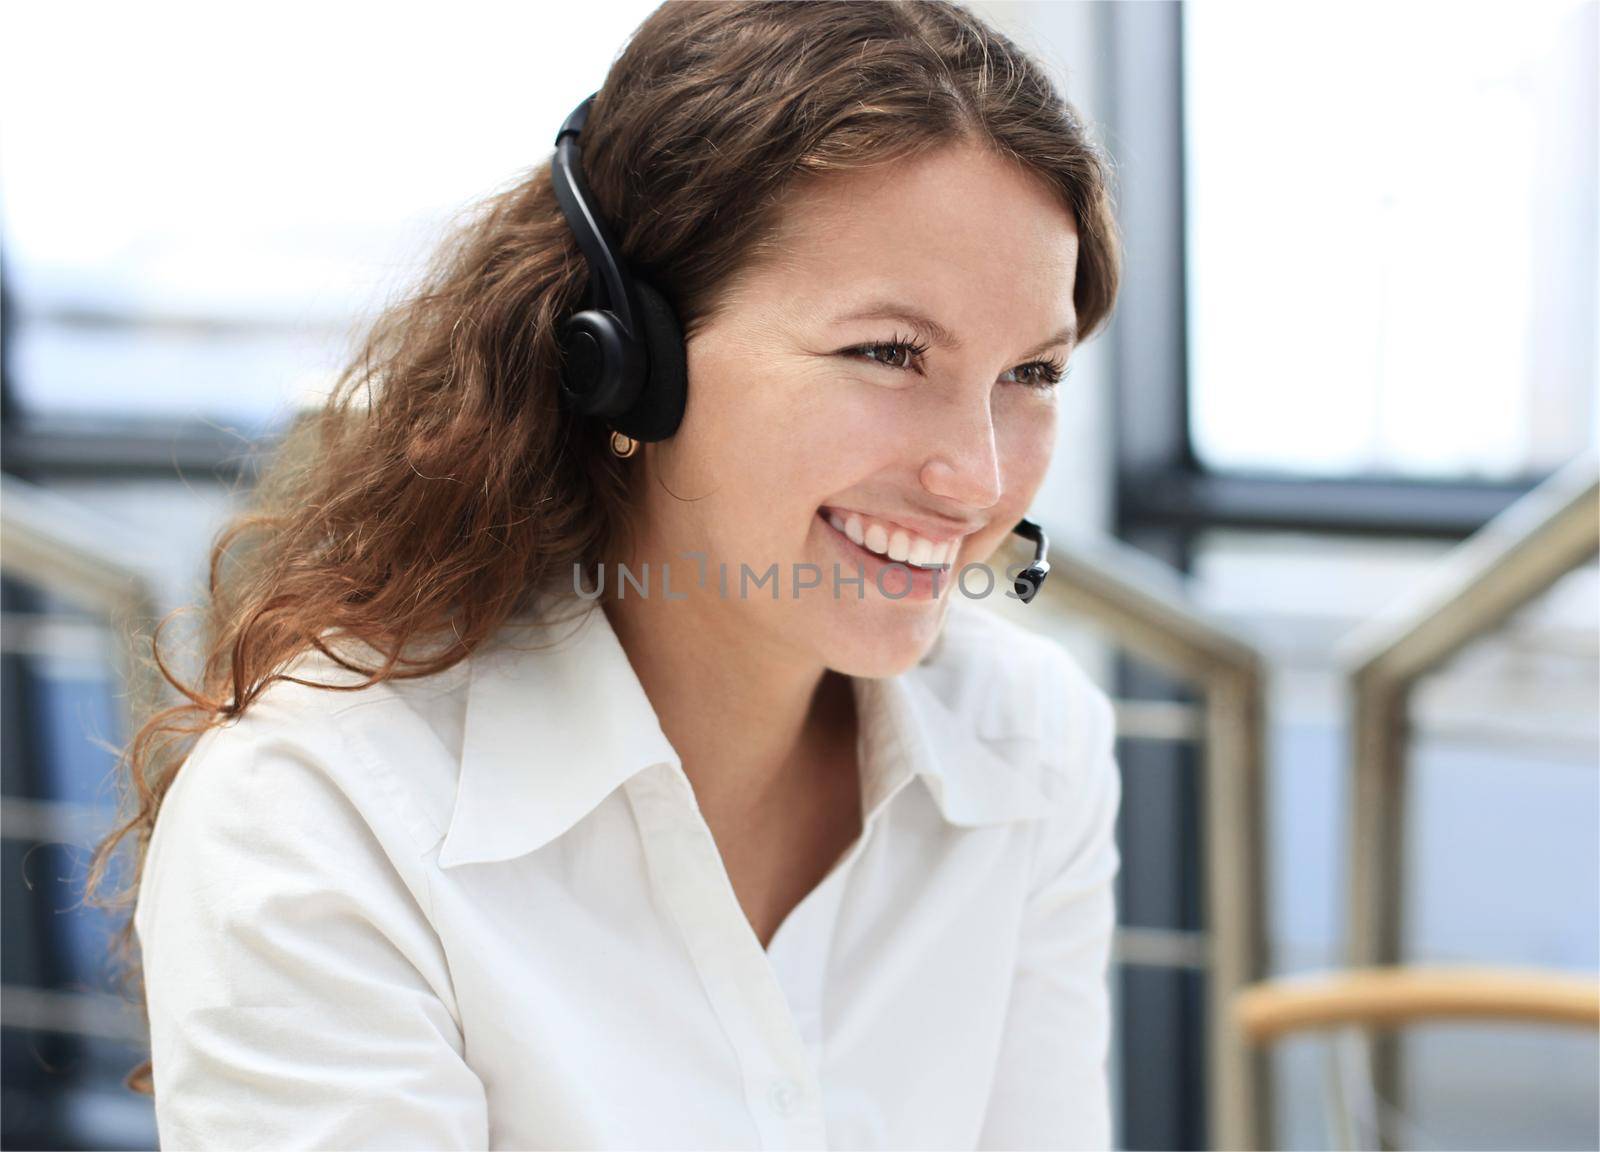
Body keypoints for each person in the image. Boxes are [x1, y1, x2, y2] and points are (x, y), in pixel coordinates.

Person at [90, 1, 1125, 1147]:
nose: (975, 478)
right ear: (622, 360)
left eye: (1031, 372)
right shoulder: (320, 819)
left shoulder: (1033, 740)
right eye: (886, 353)